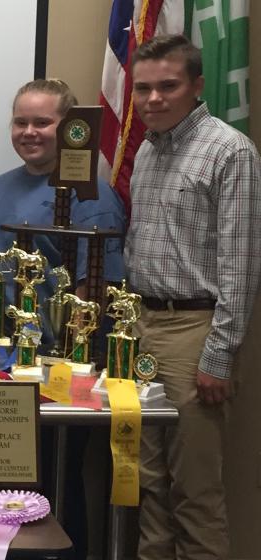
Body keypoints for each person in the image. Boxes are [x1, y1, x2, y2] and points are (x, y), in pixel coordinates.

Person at [126, 34, 260, 560]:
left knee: (195, 492)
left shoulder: (229, 151)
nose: (153, 99)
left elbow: (241, 264)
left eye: (168, 86)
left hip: (195, 332)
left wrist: (218, 354)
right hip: (143, 328)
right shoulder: (146, 150)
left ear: (197, 86)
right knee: (148, 485)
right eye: (142, 89)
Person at [0, 78, 126, 342]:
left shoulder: (91, 195)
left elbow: (96, 290)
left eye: (42, 123)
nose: (28, 132)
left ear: (67, 128)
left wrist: (74, 349)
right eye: (20, 122)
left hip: (57, 351)